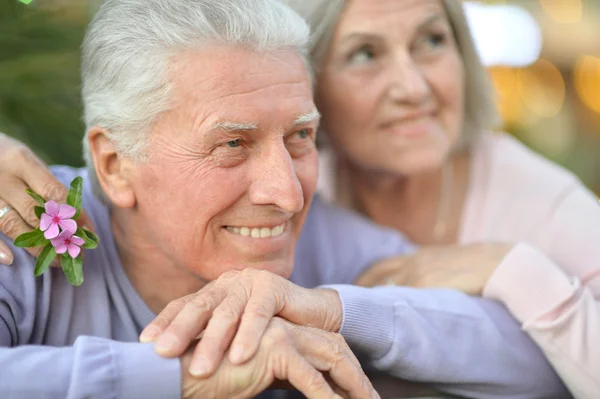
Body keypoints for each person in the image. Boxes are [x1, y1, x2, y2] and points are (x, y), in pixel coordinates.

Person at [0, 0, 570, 398]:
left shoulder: (327, 241)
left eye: (300, 136)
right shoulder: (20, 222)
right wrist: (189, 379)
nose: (287, 192)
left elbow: (542, 368)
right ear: (115, 165)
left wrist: (338, 310)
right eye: (231, 144)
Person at [279, 0, 599, 397]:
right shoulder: (296, 190)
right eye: (365, 54)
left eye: (431, 41)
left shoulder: (551, 206)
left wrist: (511, 270)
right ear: (307, 80)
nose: (414, 88)